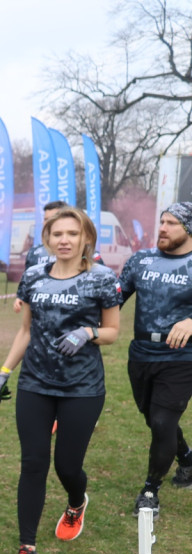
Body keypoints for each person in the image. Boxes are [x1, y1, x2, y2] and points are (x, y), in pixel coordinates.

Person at [0, 207, 121, 554]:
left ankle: (76, 502)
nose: (64, 240)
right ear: (47, 238)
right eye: (57, 233)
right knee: (33, 463)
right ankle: (27, 551)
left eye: (72, 233)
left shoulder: (101, 279)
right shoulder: (33, 276)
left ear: (86, 239)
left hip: (82, 389)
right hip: (35, 383)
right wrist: (5, 371)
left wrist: (88, 333)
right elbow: (26, 331)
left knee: (67, 466)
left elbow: (113, 330)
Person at [118, 202, 192, 517]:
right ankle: (187, 458)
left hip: (181, 358)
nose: (162, 228)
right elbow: (114, 299)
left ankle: (151, 490)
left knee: (162, 422)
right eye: (161, 221)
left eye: (172, 223)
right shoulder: (141, 260)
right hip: (141, 354)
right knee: (154, 420)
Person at [15, 201, 104, 313]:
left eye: (52, 217)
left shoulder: (91, 256)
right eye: (45, 219)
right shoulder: (34, 252)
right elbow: (27, 282)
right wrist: (20, 297)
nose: (48, 222)